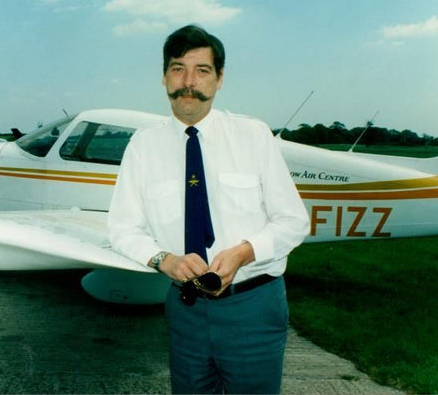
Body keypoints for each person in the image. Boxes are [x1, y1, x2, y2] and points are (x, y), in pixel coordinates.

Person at [108, 25, 309, 394]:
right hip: (185, 310)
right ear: (164, 77)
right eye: (177, 68)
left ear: (219, 80)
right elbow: (122, 229)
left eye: (202, 70)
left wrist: (244, 252)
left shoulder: (253, 136)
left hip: (253, 306)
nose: (188, 82)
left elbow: (294, 221)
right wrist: (163, 259)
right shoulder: (142, 145)